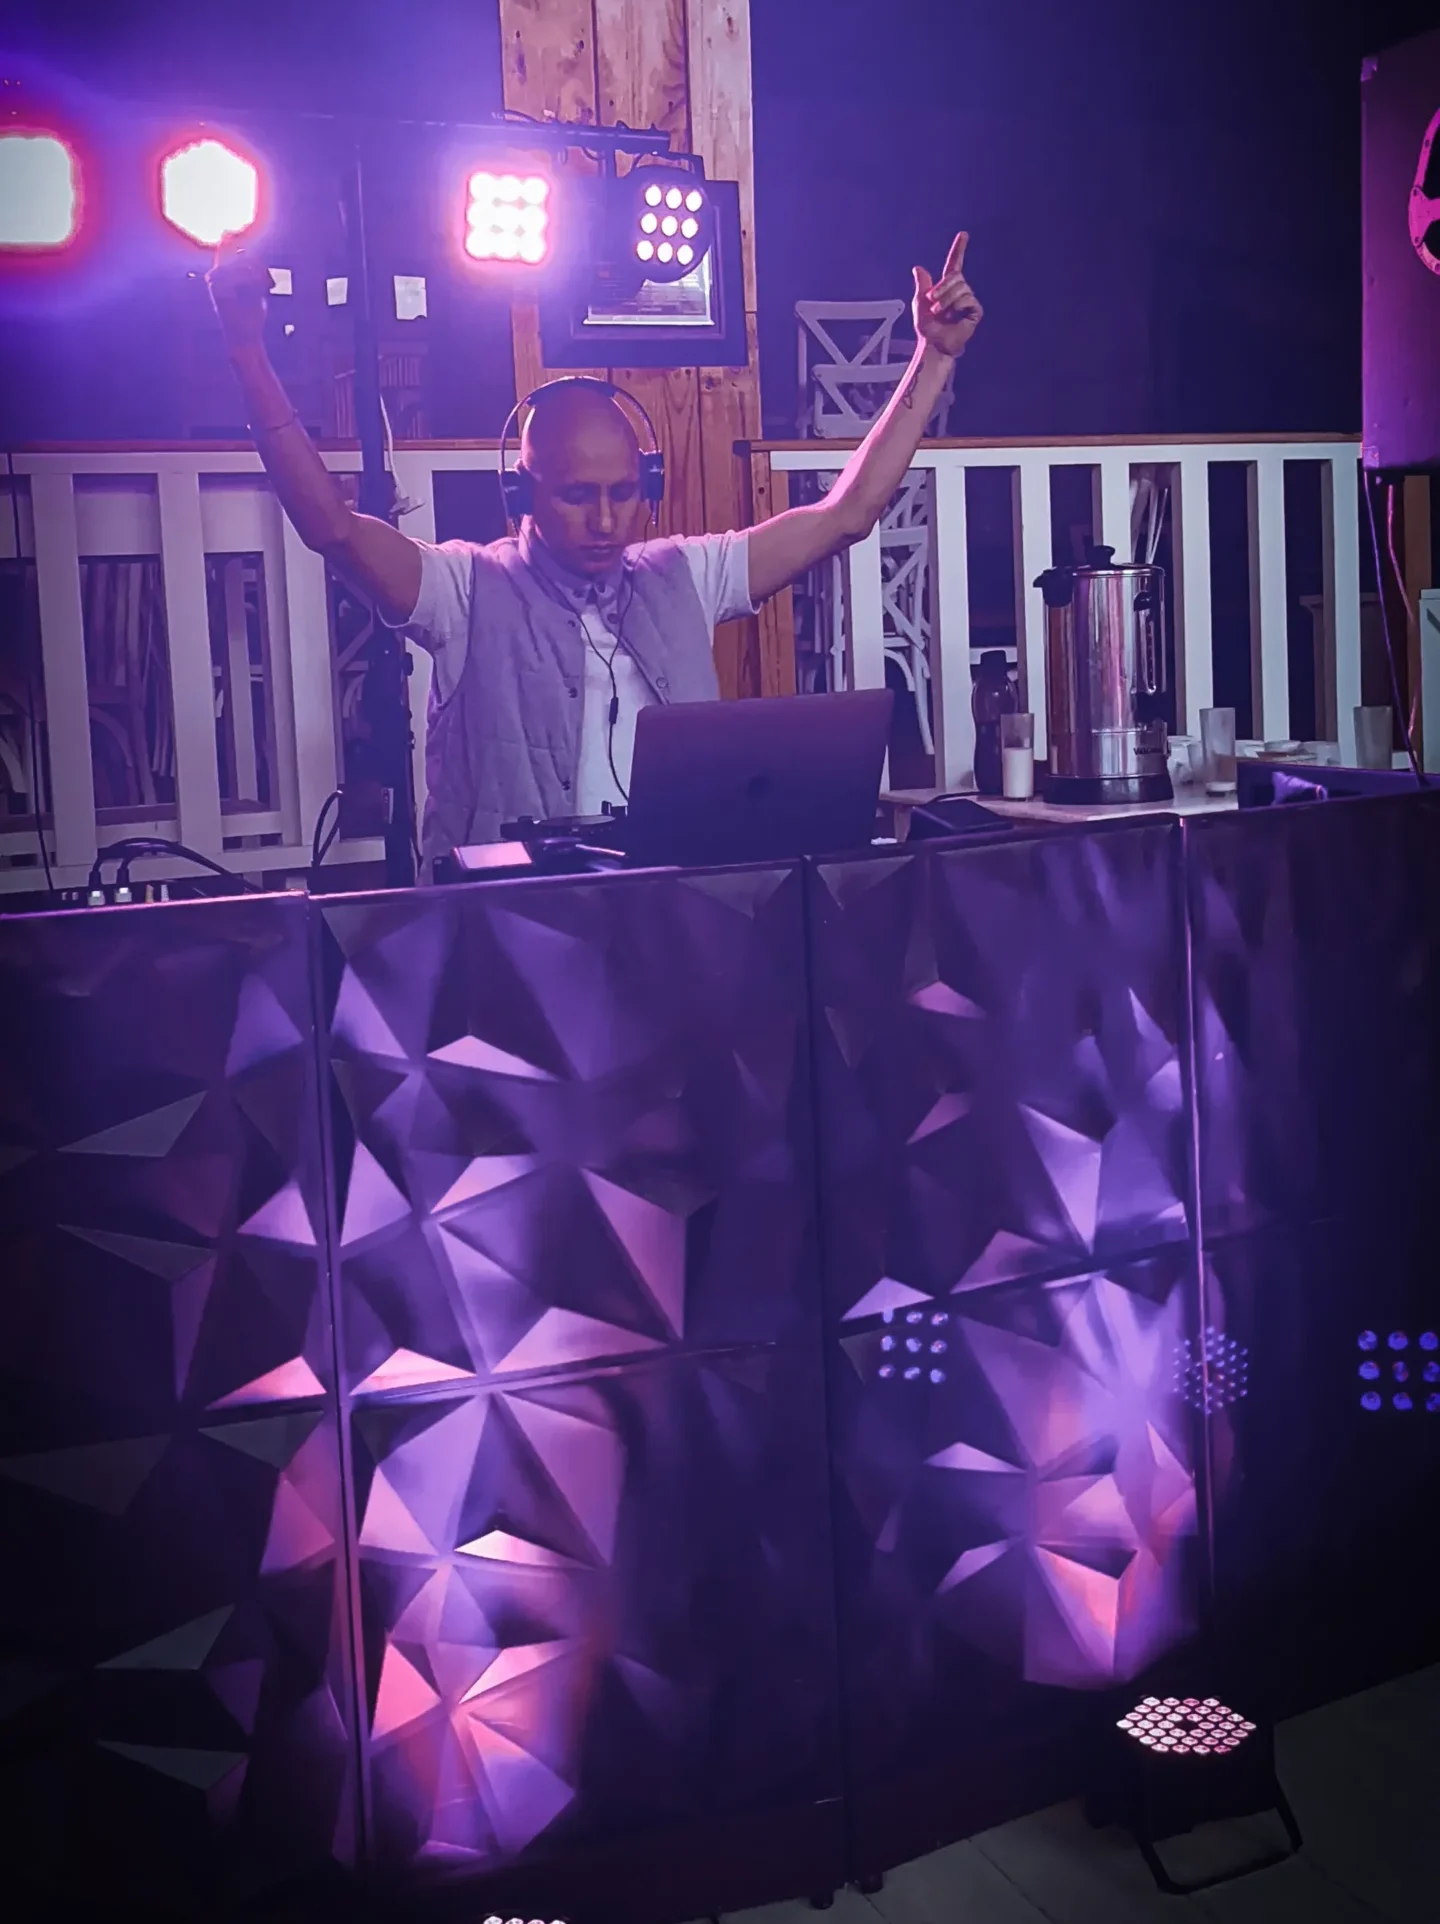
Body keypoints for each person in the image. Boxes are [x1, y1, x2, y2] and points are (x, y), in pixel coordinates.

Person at [208, 234, 982, 864]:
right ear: (523, 493)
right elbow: (333, 530)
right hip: (516, 923)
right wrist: (248, 353)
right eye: (578, 495)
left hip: (669, 906)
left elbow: (848, 514)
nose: (607, 519)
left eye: (623, 492)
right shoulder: (465, 589)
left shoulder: (685, 574)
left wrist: (935, 357)